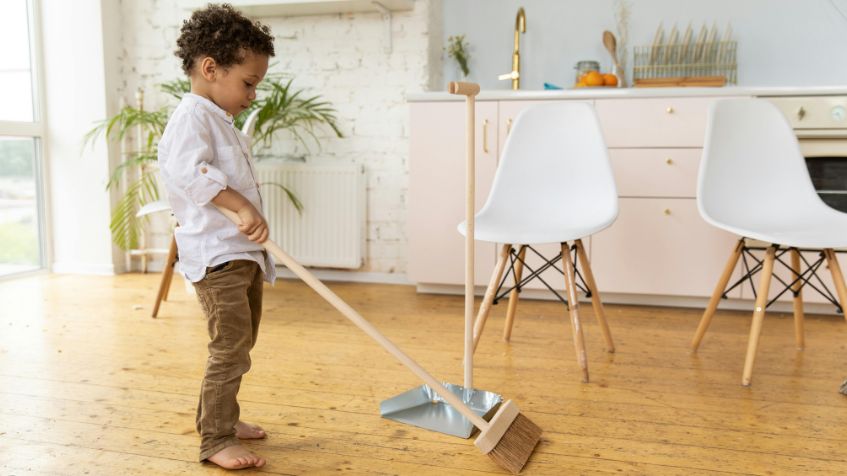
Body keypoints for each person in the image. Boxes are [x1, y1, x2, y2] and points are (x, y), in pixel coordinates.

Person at [158, 3, 276, 469]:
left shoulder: (216, 119)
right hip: (217, 258)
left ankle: (224, 415)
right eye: (248, 83)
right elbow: (191, 174)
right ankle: (215, 439)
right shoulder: (191, 117)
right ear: (210, 68)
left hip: (240, 254)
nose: (251, 95)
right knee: (229, 347)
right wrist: (241, 205)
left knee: (240, 345)